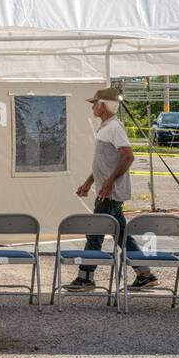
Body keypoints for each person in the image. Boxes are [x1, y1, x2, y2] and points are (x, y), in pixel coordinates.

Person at [65, 87, 157, 292]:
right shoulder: (105, 127)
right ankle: (145, 274)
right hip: (107, 190)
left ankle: (86, 277)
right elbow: (104, 162)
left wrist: (108, 182)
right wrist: (90, 181)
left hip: (109, 193)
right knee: (121, 234)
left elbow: (128, 156)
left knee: (95, 232)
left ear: (104, 105)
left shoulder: (114, 127)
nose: (92, 108)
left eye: (94, 104)